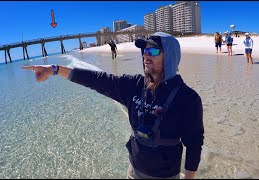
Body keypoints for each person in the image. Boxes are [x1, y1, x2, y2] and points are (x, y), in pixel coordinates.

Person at [22, 32, 204, 179]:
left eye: (154, 51)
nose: (147, 55)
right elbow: (98, 80)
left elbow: (194, 145)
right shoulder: (134, 86)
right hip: (133, 172)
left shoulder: (188, 99)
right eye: (145, 51)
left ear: (170, 56)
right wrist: (55, 70)